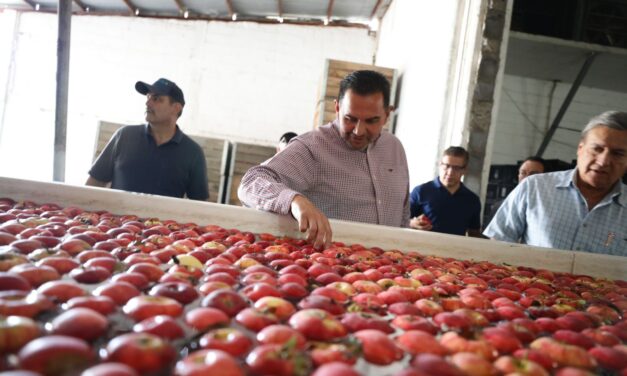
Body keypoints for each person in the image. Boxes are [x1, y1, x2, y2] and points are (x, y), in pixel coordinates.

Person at [238, 70, 410, 249]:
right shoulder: (312, 148)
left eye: (371, 121)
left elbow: (403, 213)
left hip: (391, 269)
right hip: (330, 268)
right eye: (350, 119)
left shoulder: (394, 148)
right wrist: (295, 201)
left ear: (387, 115)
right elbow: (251, 182)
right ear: (337, 108)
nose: (359, 131)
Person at [484, 111, 627, 256]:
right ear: (580, 149)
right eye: (597, 149)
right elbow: (499, 243)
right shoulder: (534, 187)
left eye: (618, 154)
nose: (603, 161)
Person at [86, 78, 209, 201]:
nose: (148, 103)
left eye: (156, 99)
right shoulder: (124, 136)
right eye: (148, 97)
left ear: (176, 108)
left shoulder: (193, 153)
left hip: (164, 220)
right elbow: (95, 183)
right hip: (117, 220)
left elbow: (199, 204)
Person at [409, 147, 482, 237]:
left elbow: (474, 234)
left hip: (456, 250)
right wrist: (412, 223)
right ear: (440, 165)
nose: (450, 172)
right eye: (446, 166)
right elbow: (401, 221)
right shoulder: (421, 191)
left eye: (456, 168)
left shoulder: (472, 200)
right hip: (422, 249)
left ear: (464, 170)